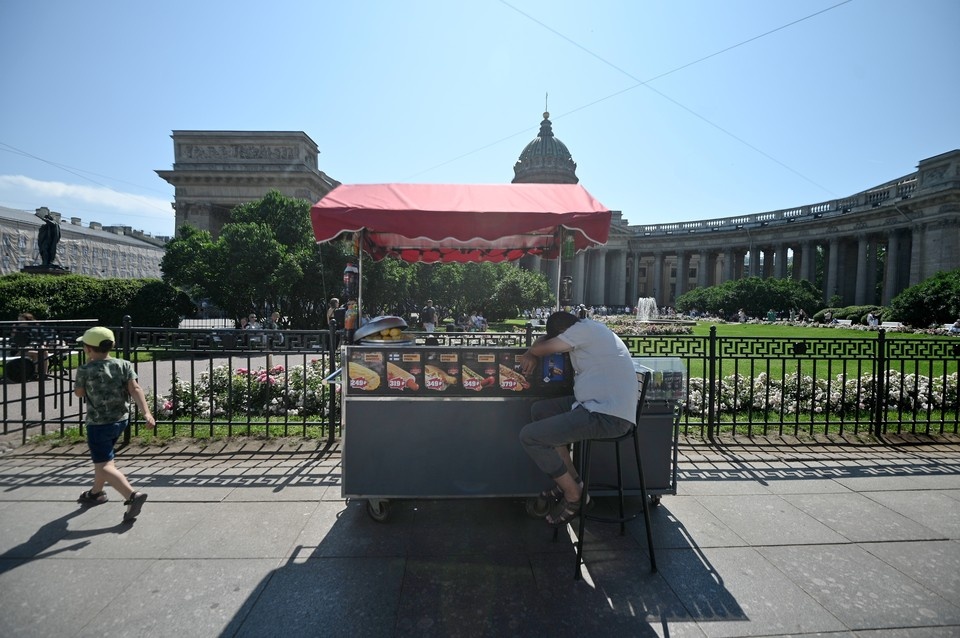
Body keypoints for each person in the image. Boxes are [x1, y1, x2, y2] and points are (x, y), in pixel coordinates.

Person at [518, 311, 638, 527]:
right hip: (594, 405)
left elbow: (538, 348)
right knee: (541, 410)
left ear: (563, 333)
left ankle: (574, 496)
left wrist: (531, 352)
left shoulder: (582, 331)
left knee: (530, 436)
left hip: (606, 415)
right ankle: (574, 481)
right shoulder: (592, 329)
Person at [73, 326, 155, 522]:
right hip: (120, 420)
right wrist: (147, 413)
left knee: (103, 464)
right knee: (105, 460)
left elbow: (79, 393)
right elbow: (135, 388)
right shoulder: (123, 364)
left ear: (88, 348)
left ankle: (131, 496)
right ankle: (96, 493)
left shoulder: (85, 369)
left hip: (98, 423)